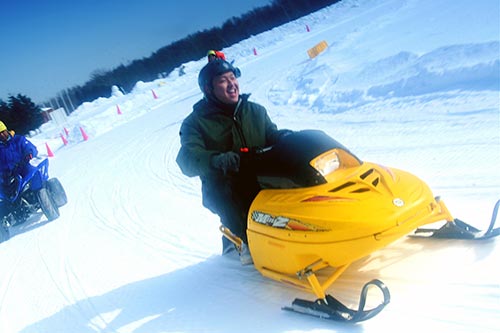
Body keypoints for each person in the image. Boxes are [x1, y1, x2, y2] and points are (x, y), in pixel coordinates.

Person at [176, 59, 290, 265]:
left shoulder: (255, 111)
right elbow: (187, 159)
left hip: (260, 174)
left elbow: (271, 134)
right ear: (208, 89)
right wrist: (216, 160)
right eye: (222, 81)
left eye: (233, 78)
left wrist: (285, 138)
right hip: (225, 183)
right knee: (232, 193)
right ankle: (246, 241)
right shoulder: (195, 123)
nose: (231, 84)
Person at [0, 121, 38, 202]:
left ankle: (40, 192)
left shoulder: (17, 140)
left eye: (2, 132)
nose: (1, 135)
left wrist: (29, 154)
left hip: (23, 167)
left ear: (6, 130)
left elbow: (29, 147)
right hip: (7, 176)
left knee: (33, 173)